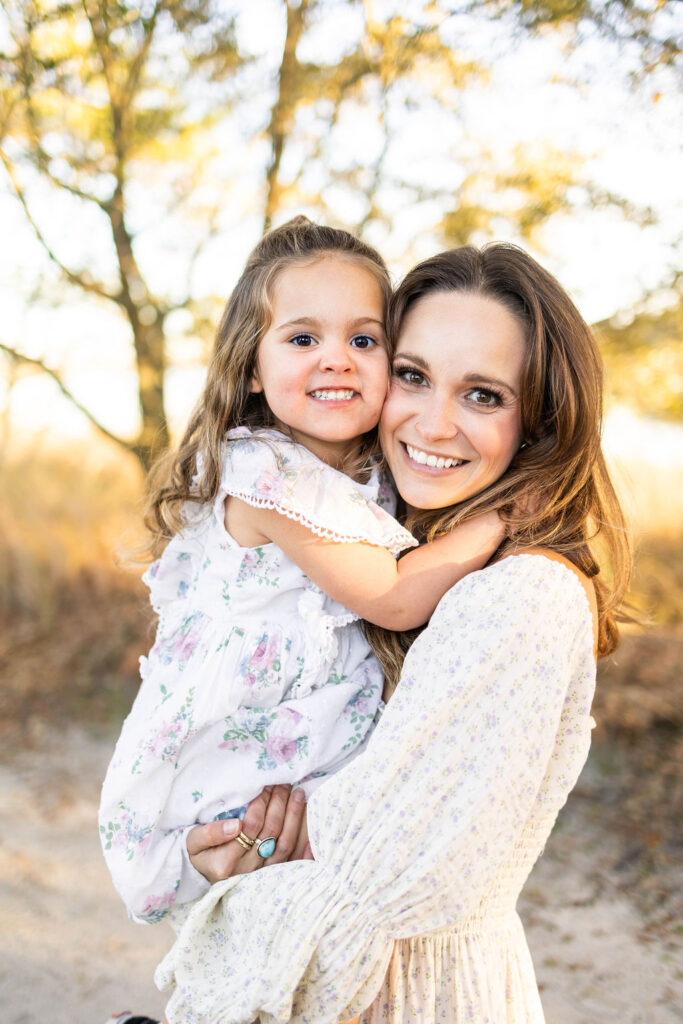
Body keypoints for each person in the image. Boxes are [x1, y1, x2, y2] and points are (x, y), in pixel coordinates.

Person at [151, 241, 631, 1024]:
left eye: (482, 394)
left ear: (539, 420)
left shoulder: (519, 595)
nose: (432, 423)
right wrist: (244, 853)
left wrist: (259, 870)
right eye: (412, 376)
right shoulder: (376, 546)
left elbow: (361, 896)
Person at [98, 217, 505, 932]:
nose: (337, 359)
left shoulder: (376, 471)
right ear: (251, 366)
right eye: (302, 338)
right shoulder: (262, 471)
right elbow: (393, 594)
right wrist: (500, 521)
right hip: (233, 742)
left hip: (310, 740)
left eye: (363, 339)